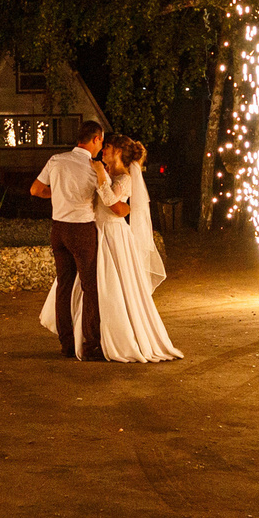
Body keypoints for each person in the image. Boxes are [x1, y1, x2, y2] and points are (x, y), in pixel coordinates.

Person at [39, 134, 179, 362]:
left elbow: (111, 202)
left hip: (113, 235)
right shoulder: (104, 173)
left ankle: (112, 337)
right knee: (88, 285)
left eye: (108, 147)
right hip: (93, 231)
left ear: (119, 152)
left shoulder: (124, 178)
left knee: (111, 286)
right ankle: (86, 336)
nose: (103, 150)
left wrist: (100, 174)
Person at [30, 118, 109, 361]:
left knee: (64, 285)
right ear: (95, 139)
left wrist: (58, 194)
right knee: (90, 286)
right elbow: (107, 198)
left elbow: (35, 190)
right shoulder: (94, 168)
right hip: (81, 229)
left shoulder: (56, 160)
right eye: (101, 142)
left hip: (58, 229)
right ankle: (91, 344)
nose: (101, 148)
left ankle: (66, 343)